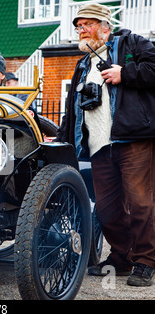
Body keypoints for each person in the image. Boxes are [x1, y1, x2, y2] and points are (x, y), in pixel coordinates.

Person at [55, 3, 155, 286]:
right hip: (99, 146)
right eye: (78, 26)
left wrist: (126, 73)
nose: (81, 30)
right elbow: (73, 108)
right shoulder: (84, 63)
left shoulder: (132, 43)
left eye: (86, 24)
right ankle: (122, 257)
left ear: (104, 26)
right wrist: (63, 139)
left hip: (133, 140)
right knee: (106, 209)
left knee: (140, 204)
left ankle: (146, 261)